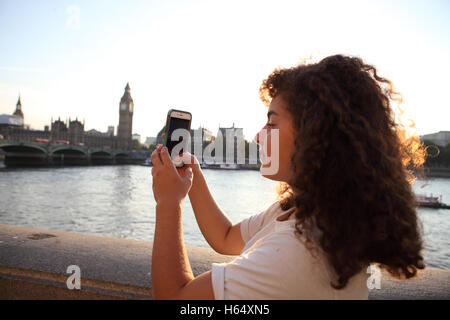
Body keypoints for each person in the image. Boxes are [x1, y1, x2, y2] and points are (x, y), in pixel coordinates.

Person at [150, 54, 426, 300]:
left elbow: (175, 298)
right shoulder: (307, 213)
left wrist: (167, 203)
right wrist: (193, 177)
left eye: (272, 123)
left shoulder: (297, 254)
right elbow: (225, 237)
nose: (258, 136)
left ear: (313, 136)